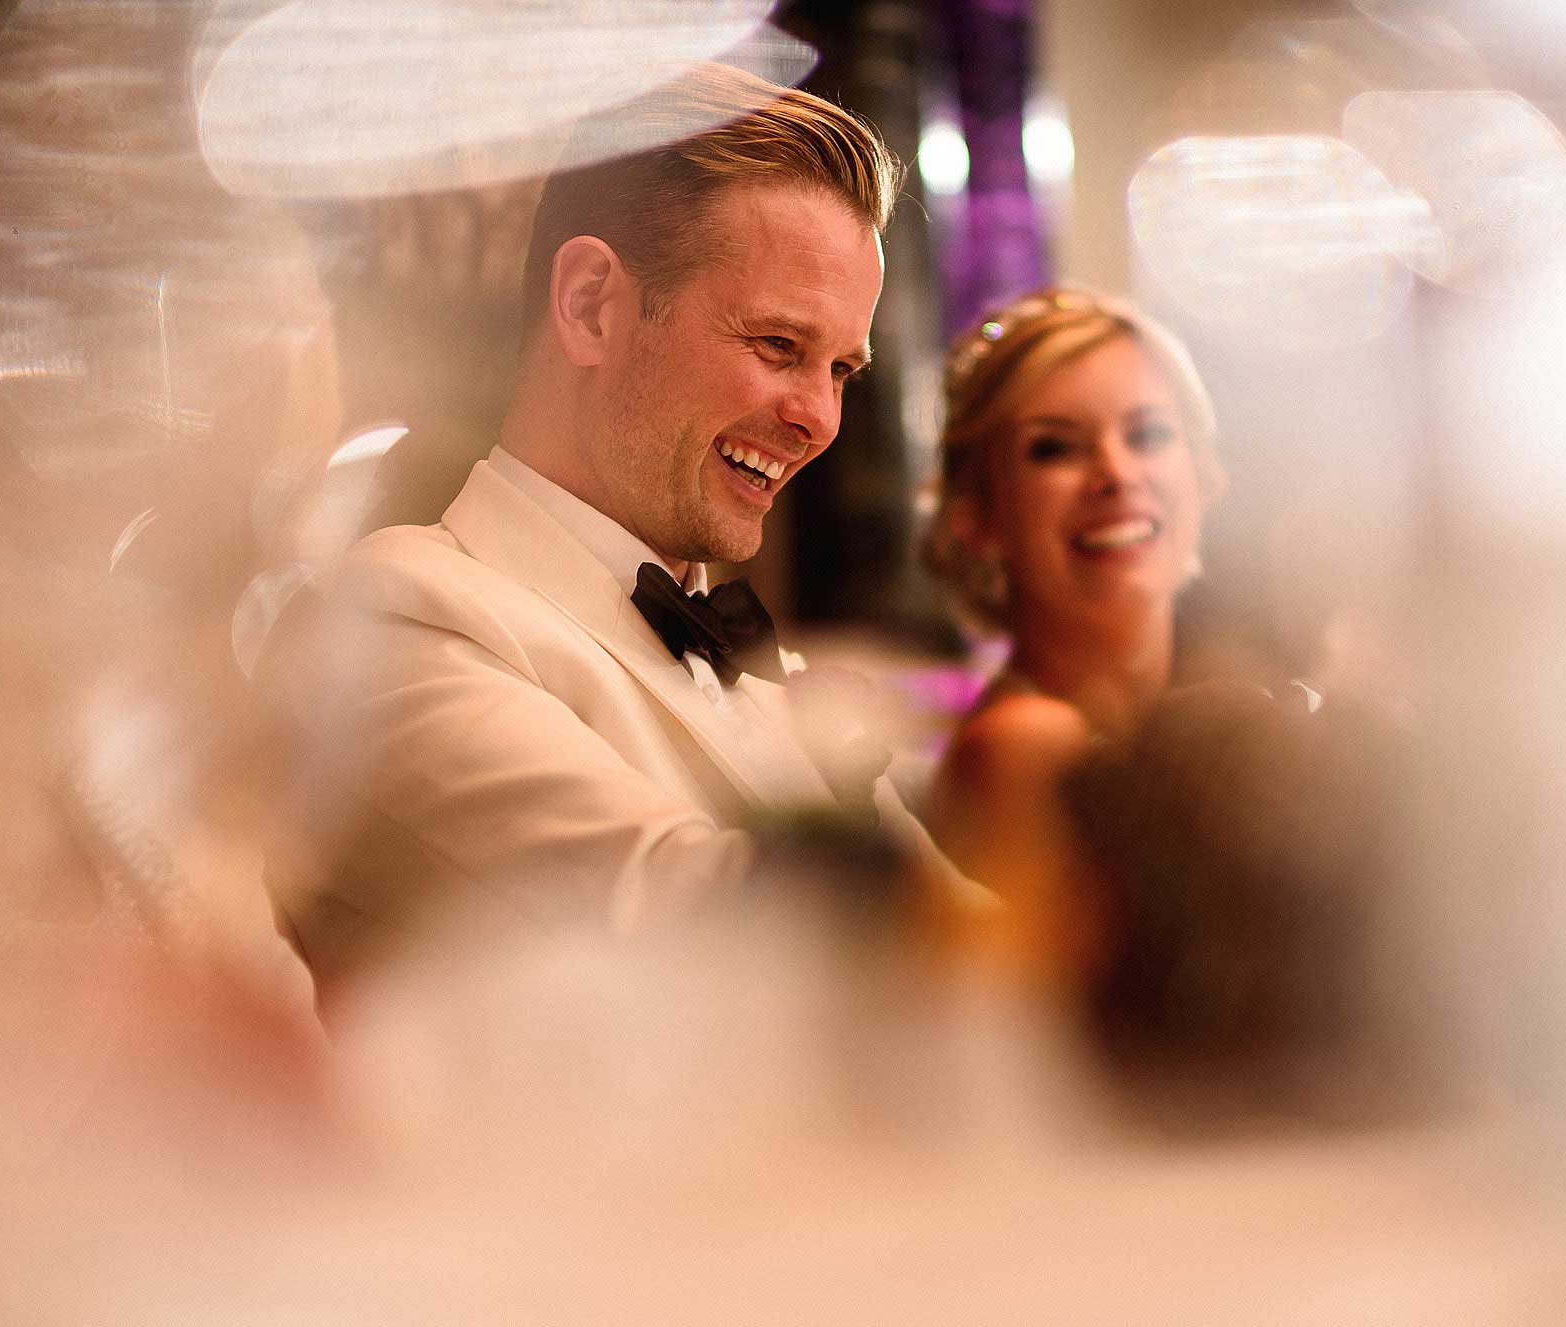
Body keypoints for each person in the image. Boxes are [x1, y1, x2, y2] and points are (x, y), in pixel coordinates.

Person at [262, 63, 971, 997]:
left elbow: (977, 936)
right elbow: (720, 939)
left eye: (841, 370)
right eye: (778, 346)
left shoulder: (766, 674)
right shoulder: (400, 621)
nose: (820, 419)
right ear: (591, 303)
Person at [921, 287, 1224, 937]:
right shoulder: (1022, 746)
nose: (1116, 473)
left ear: (1203, 476)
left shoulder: (1197, 723)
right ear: (977, 516)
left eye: (1148, 434)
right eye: (1054, 448)